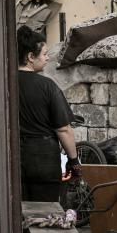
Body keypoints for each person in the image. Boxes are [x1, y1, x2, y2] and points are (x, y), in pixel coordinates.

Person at [17, 26, 81, 203]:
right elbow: (63, 129)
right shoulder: (47, 86)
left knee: (14, 214)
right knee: (45, 215)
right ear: (31, 57)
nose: (47, 58)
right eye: (44, 54)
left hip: (9, 163)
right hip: (43, 163)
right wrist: (73, 161)